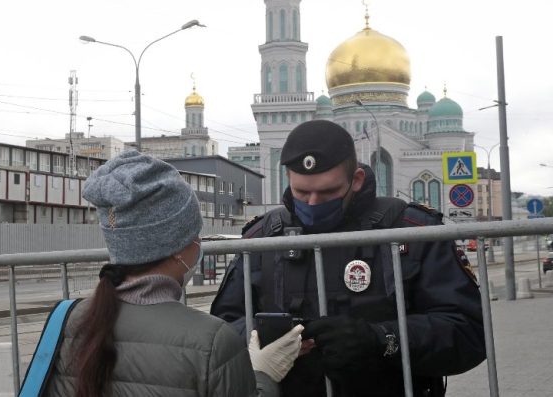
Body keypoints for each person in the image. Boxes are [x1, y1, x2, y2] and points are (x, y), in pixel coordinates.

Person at [210, 120, 486, 397]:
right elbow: (221, 329)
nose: (313, 203)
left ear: (356, 180)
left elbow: (468, 332)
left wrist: (381, 339)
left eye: (328, 192)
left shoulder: (411, 232)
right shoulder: (262, 238)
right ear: (288, 179)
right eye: (302, 192)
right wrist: (262, 334)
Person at [41, 151, 304, 397]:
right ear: (181, 248)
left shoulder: (68, 322)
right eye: (195, 233)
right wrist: (263, 375)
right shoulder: (213, 342)